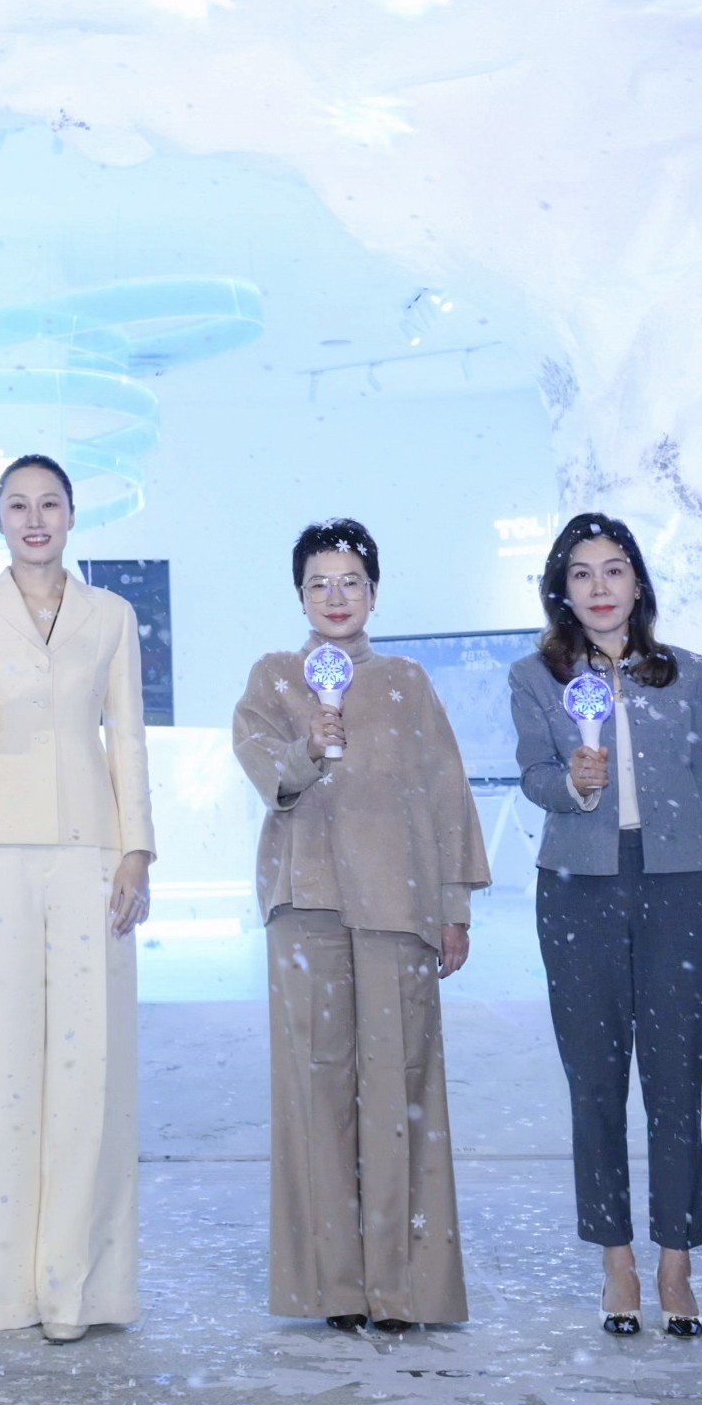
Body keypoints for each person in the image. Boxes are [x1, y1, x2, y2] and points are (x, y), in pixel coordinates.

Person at [229, 517, 488, 1334]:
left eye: (350, 582)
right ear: (299, 596)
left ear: (373, 593)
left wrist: (452, 905)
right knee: (315, 1092)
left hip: (397, 906)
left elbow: (446, 794)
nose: (335, 597)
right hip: (305, 904)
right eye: (319, 584)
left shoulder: (408, 681)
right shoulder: (274, 677)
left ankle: (403, 1287)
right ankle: (331, 1287)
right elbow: (264, 770)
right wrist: (309, 744)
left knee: (399, 1090)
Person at [0, 451, 155, 1341]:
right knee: (7, 1060)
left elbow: (126, 733)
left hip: (89, 845)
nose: (34, 520)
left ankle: (77, 1288)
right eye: (18, 505)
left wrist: (136, 848)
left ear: (71, 516)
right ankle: (14, 1289)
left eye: (49, 504)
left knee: (89, 1063)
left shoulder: (111, 614)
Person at [513, 512, 702, 1338]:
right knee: (595, 1083)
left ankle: (676, 1262)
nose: (599, 587)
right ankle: (615, 1260)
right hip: (577, 889)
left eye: (613, 569)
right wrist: (572, 783)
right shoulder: (534, 676)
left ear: (637, 582)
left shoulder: (684, 672)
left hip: (680, 887)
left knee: (676, 1083)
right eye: (580, 574)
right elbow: (533, 775)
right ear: (562, 590)